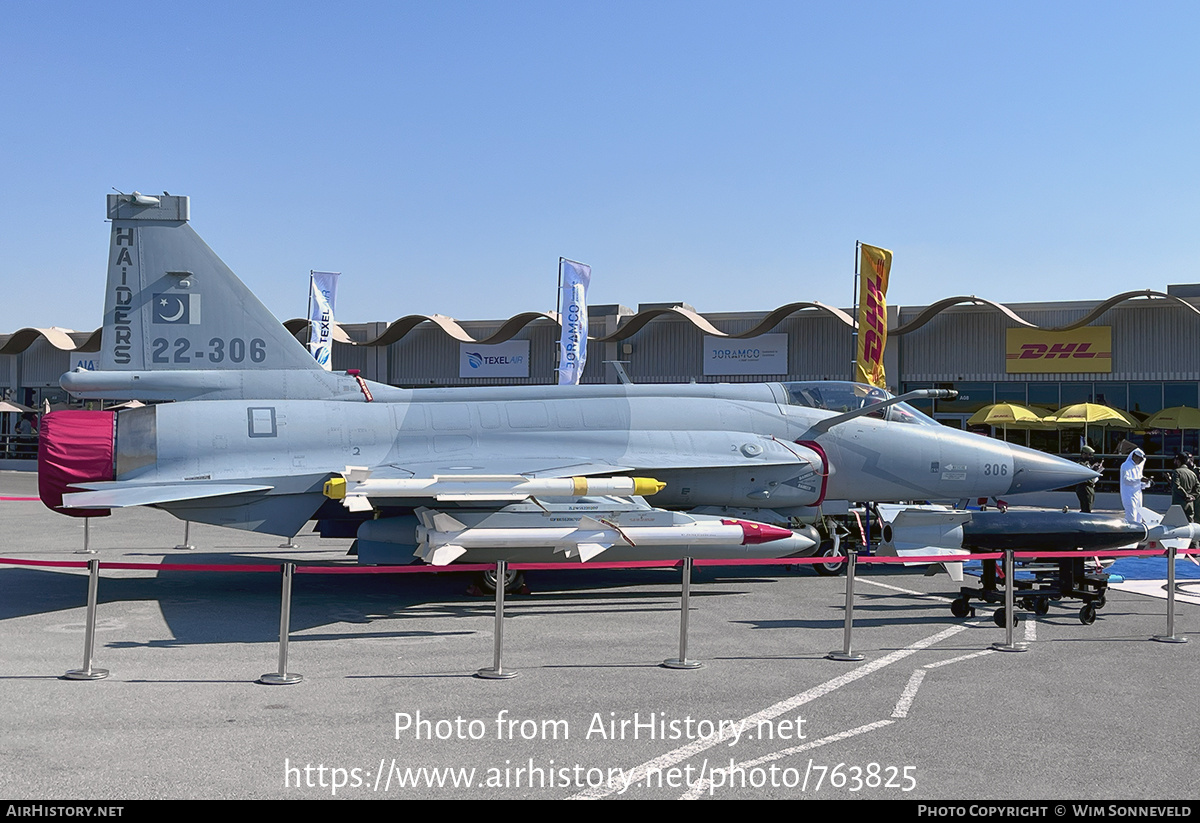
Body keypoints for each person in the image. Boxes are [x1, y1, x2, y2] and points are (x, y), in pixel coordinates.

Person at [1120, 448, 1152, 523]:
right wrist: (1140, 480)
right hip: (1129, 494)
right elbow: (1126, 480)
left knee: (1139, 514)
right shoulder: (1126, 466)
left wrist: (1146, 482)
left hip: (1138, 493)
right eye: (1139, 459)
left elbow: (1140, 483)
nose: (1140, 461)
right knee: (1131, 515)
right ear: (1134, 456)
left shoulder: (1138, 467)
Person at [1168, 451, 1199, 526]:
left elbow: (1176, 486)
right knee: (1189, 526)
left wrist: (1186, 495)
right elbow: (1198, 487)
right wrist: (1192, 496)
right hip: (1190, 504)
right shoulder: (1192, 473)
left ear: (1178, 461)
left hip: (1179, 503)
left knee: (1176, 525)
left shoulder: (1177, 472)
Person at [1075, 446, 1103, 513]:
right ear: (1083, 454)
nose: (1091, 456)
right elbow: (1085, 476)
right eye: (1089, 454)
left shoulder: (1087, 463)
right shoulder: (1080, 464)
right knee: (1086, 508)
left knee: (1088, 507)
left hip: (1089, 487)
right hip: (1084, 487)